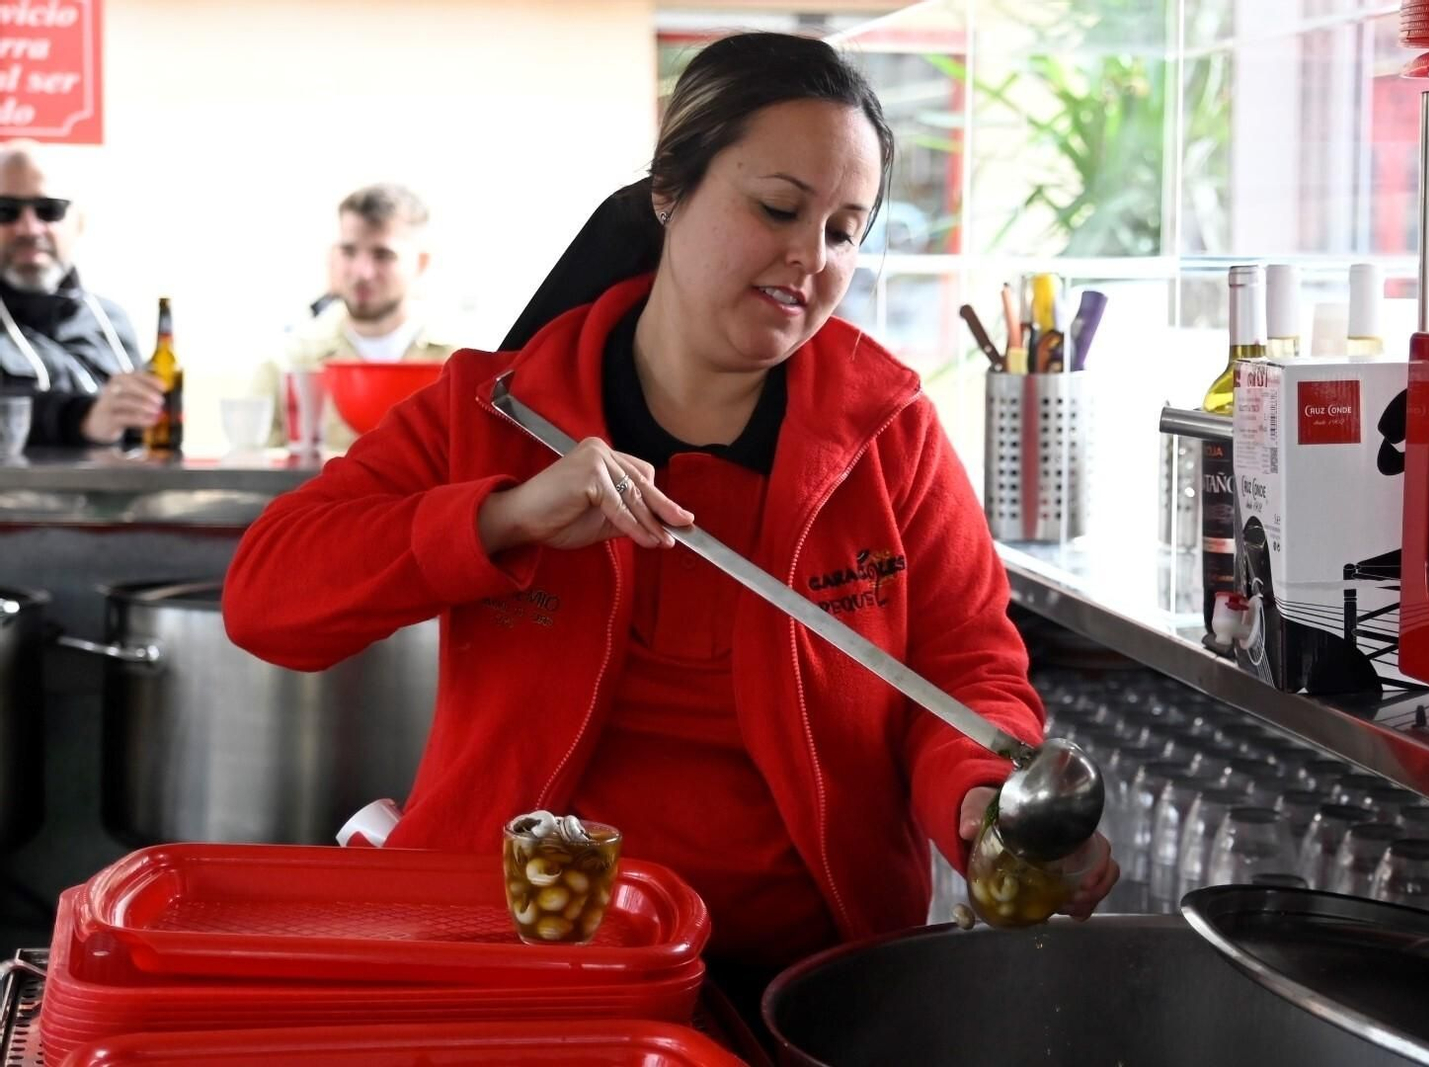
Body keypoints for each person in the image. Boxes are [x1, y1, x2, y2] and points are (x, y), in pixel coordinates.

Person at [223, 31, 1116, 1013]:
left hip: (803, 985)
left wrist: (980, 797)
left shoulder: (889, 432)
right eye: (777, 208)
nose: (809, 257)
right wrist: (505, 517)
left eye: (843, 231)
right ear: (669, 191)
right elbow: (265, 599)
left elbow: (966, 675)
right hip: (514, 964)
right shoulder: (494, 410)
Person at [263, 182, 454, 449]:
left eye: (382, 255)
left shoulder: (456, 364)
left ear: (420, 263)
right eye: (349, 251)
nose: (362, 272)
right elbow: (253, 466)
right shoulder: (289, 360)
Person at [0, 142, 163, 447]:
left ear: (79, 222)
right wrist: (82, 418)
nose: (29, 228)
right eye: (5, 211)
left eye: (50, 210)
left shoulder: (111, 321)